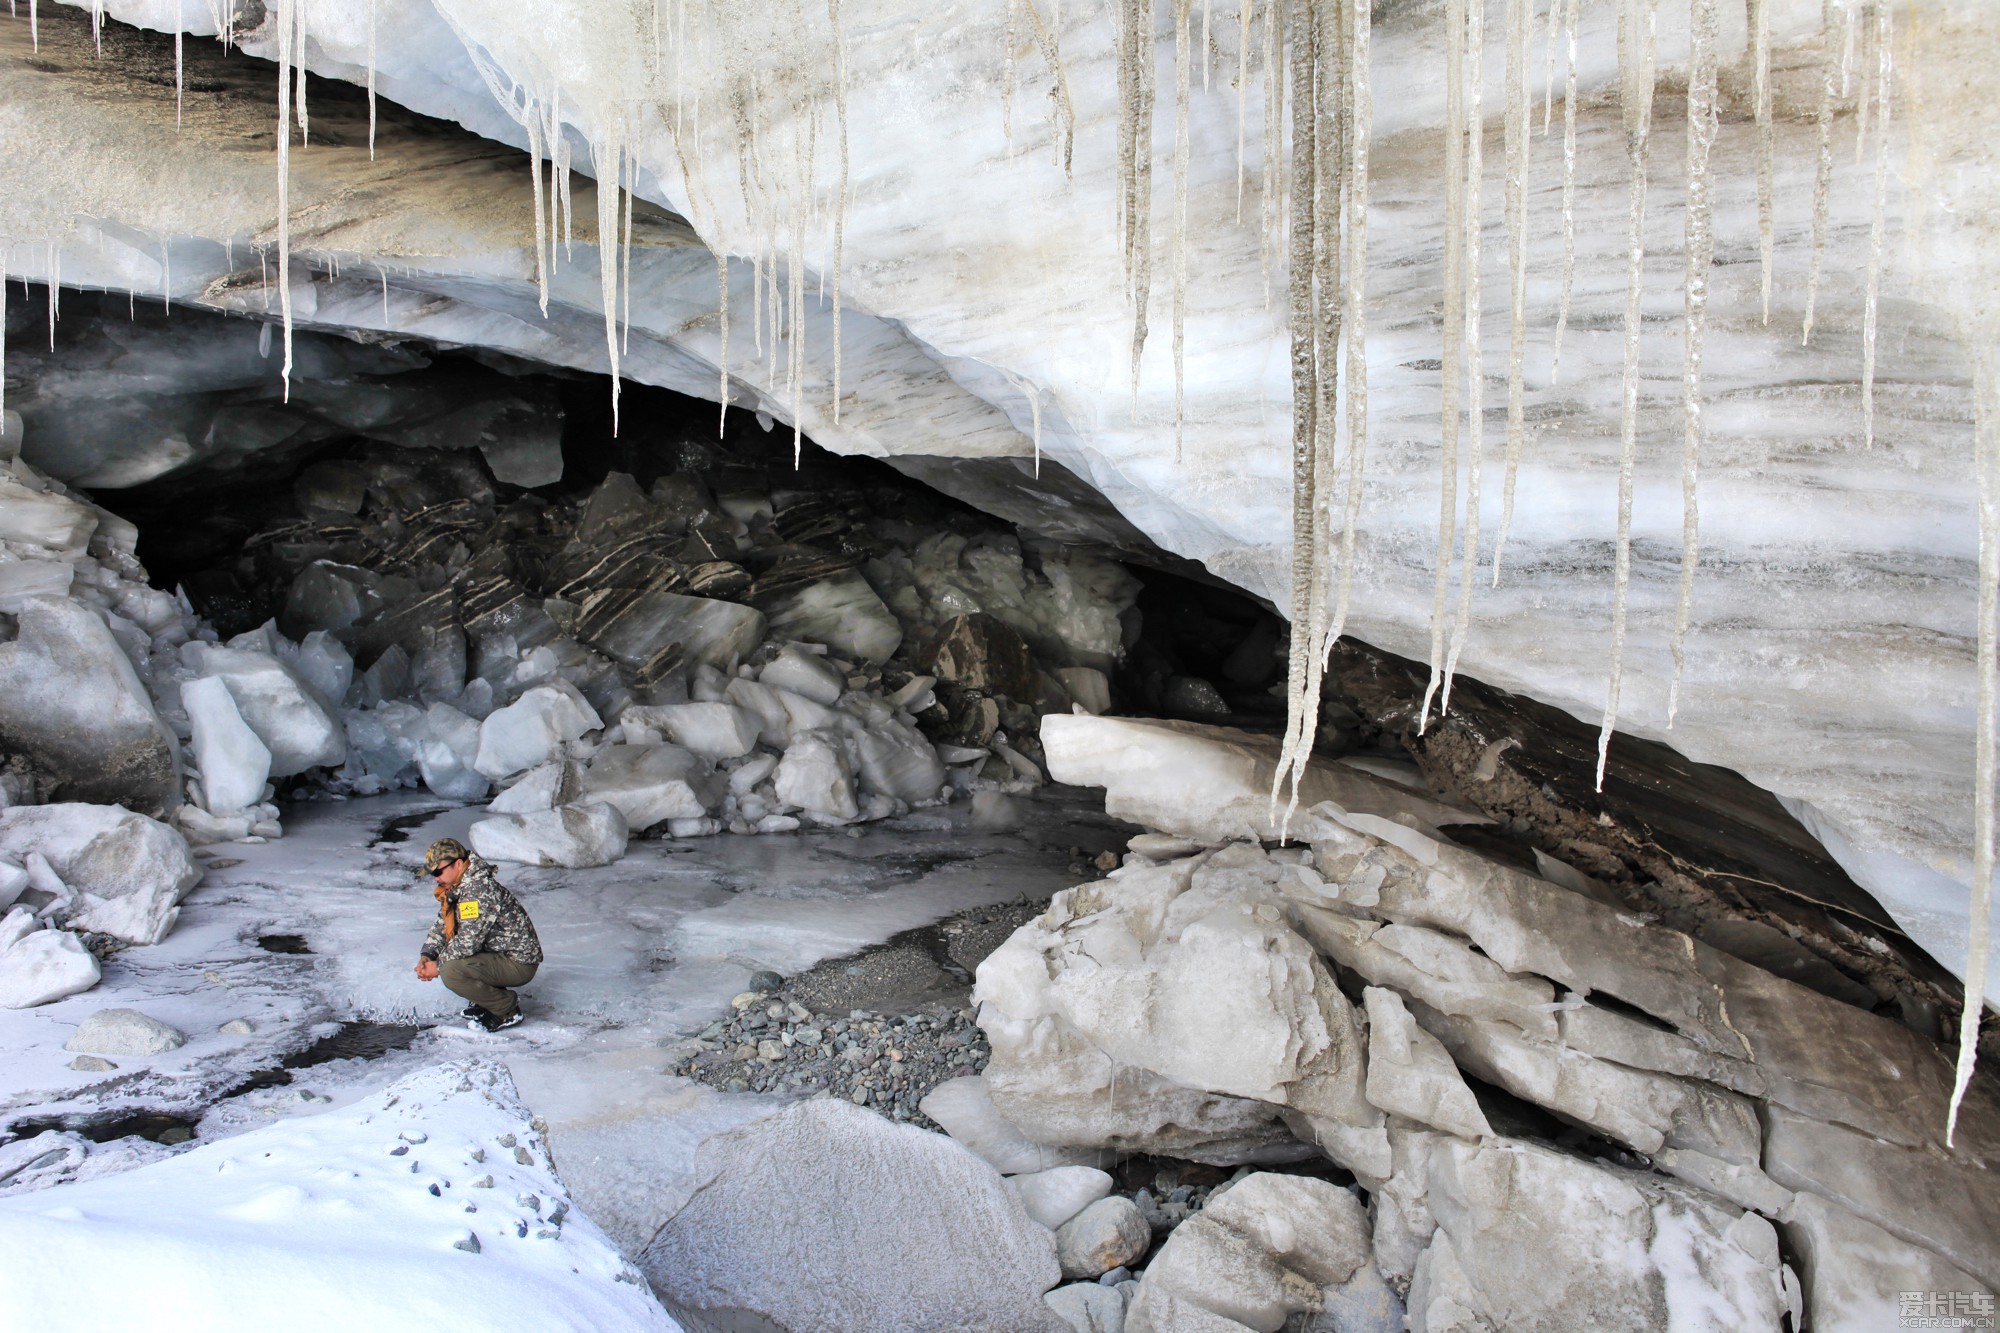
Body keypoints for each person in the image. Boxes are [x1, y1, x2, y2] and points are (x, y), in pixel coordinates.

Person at [415, 838, 542, 1032]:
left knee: (451, 971)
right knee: (451, 961)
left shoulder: (478, 890)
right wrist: (428, 955)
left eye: (438, 872)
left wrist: (437, 966)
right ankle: (485, 1000)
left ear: (458, 864)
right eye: (432, 873)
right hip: (495, 954)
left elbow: (468, 943)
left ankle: (505, 1008)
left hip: (518, 963)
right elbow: (443, 923)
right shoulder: (458, 886)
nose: (435, 878)